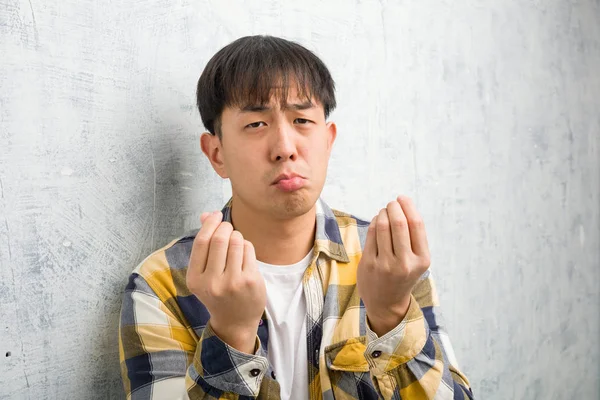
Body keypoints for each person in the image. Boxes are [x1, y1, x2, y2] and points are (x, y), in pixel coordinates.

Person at [118, 35, 473, 400]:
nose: (285, 148)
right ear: (217, 153)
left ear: (328, 141)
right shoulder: (162, 284)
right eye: (256, 124)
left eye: (302, 119)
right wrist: (231, 333)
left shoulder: (391, 260)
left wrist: (393, 315)